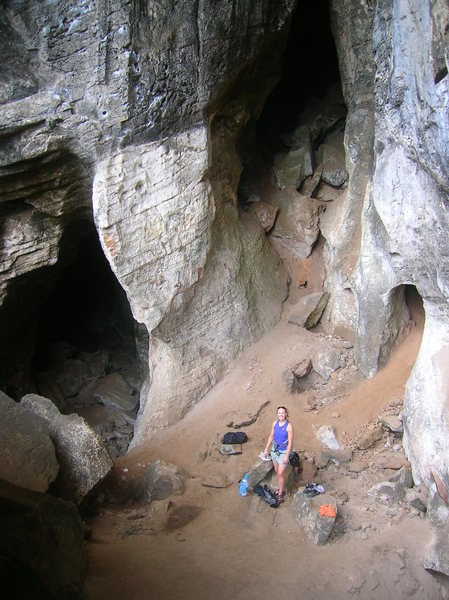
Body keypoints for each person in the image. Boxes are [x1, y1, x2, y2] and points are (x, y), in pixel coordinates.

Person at [263, 406, 293, 503]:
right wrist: (266, 449)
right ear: (277, 414)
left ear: (286, 414)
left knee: (280, 473)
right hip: (274, 450)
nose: (281, 415)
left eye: (283, 413)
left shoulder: (289, 427)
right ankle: (280, 488)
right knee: (277, 471)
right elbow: (271, 436)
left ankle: (280, 494)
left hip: (283, 451)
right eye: (279, 413)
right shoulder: (274, 424)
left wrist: (286, 456)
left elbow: (290, 443)